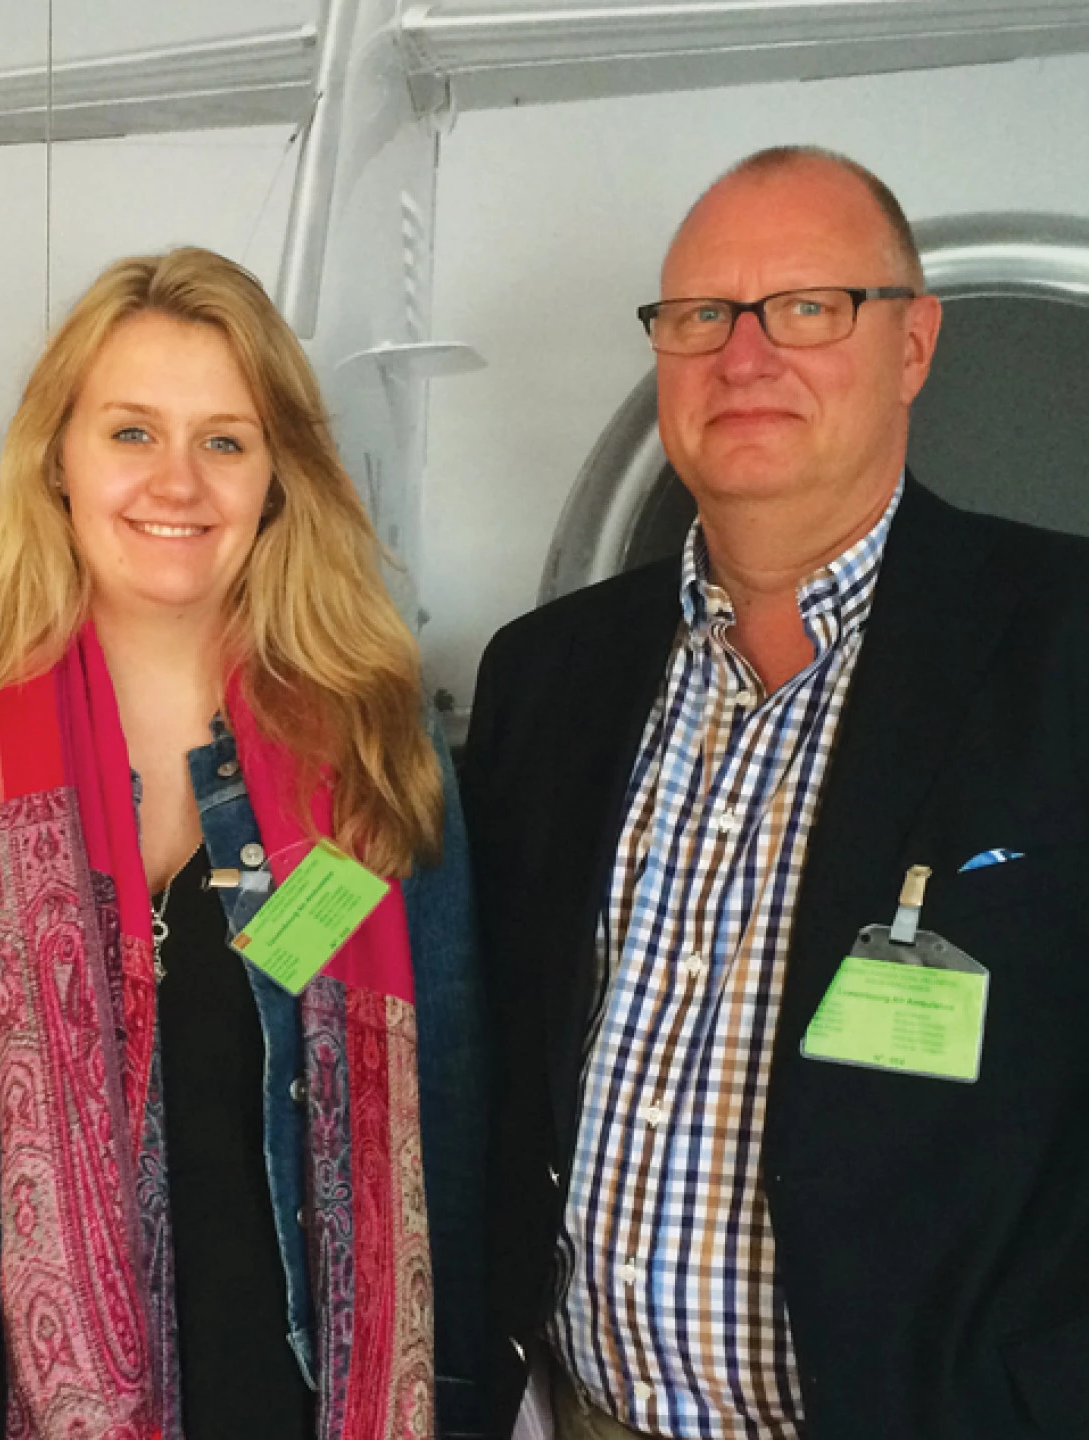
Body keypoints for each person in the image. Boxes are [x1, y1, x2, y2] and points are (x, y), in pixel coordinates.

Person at [0, 247, 488, 1440]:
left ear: (279, 477)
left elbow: (445, 1112)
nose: (178, 482)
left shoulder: (380, 756)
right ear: (59, 459)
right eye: (133, 433)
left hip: (300, 1390)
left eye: (226, 440)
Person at [464, 145, 1089, 1440]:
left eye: (807, 306)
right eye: (700, 316)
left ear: (913, 344)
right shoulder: (545, 679)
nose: (743, 357)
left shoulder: (1065, 645)